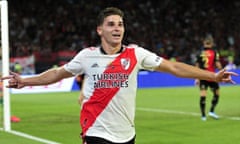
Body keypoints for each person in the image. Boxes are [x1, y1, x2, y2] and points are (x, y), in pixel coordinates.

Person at [1, 7, 238, 144]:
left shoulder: (137, 54)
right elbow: (57, 74)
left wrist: (212, 76)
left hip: (127, 135)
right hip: (95, 132)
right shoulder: (87, 56)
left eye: (120, 24)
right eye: (111, 24)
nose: (117, 28)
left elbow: (174, 68)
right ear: (100, 30)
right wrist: (25, 80)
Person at [195, 35, 223, 121]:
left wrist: (196, 78)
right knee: (217, 94)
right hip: (211, 76)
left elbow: (197, 66)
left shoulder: (199, 53)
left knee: (203, 95)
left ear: (204, 44)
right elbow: (218, 65)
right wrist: (222, 71)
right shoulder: (214, 52)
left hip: (202, 76)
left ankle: (203, 115)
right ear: (211, 44)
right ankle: (211, 111)